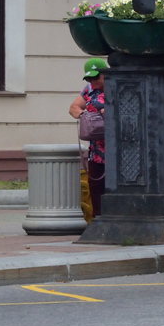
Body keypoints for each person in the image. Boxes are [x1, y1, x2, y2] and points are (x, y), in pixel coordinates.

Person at [69, 58, 107, 220]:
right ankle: (97, 220)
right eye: (89, 79)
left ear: (105, 73)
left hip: (117, 150)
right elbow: (73, 108)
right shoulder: (89, 89)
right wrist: (85, 116)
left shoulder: (118, 87)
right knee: (96, 186)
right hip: (96, 150)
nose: (92, 82)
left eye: (95, 77)